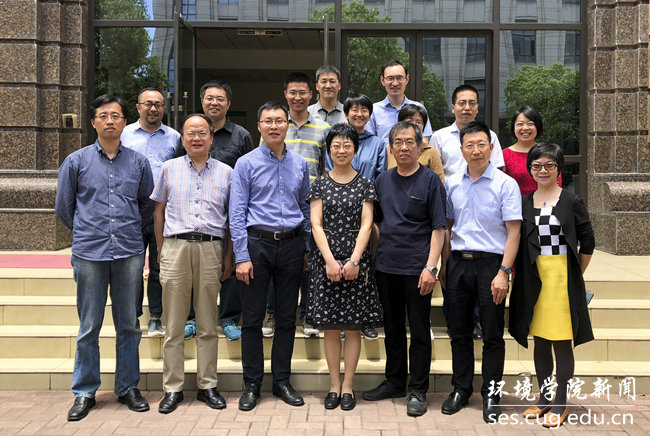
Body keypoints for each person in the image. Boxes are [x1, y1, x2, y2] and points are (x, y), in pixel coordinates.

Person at [55, 94, 153, 421]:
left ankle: (128, 387)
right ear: (93, 122)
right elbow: (64, 207)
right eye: (103, 115)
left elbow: (146, 204)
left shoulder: (138, 163)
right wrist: (88, 229)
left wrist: (128, 228)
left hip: (128, 252)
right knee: (89, 326)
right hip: (90, 254)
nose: (110, 120)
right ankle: (85, 392)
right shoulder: (76, 161)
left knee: (129, 325)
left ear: (125, 122)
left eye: (116, 115)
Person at [230, 101, 311, 411]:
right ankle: (252, 383)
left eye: (279, 120)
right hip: (257, 245)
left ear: (287, 125)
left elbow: (304, 207)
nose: (274, 126)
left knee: (287, 318)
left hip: (292, 245)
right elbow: (237, 212)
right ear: (259, 126)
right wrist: (241, 255)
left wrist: (306, 246)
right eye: (268, 121)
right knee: (252, 319)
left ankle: (281, 381)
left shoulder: (300, 163)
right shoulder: (245, 163)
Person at [439, 121, 521, 423]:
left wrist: (503, 272)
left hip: (491, 266)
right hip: (458, 263)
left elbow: (513, 232)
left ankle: (491, 394)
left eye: (481, 145)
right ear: (461, 150)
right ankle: (461, 389)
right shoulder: (451, 184)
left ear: (491, 147)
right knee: (458, 332)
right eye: (470, 145)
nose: (476, 151)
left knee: (492, 334)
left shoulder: (505, 184)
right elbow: (447, 227)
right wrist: (444, 265)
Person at [508, 142, 595, 428]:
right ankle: (544, 398)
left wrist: (576, 274)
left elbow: (588, 240)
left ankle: (561, 401)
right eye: (536, 166)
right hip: (534, 277)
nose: (542, 170)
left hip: (562, 277)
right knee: (541, 339)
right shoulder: (524, 202)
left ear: (559, 169)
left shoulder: (571, 200)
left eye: (549, 165)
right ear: (530, 169)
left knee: (561, 340)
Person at [363, 121, 446, 417]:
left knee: (420, 331)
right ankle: (395, 381)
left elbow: (439, 228)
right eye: (398, 142)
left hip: (418, 269)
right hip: (386, 267)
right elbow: (375, 222)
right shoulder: (382, 180)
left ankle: (418, 389)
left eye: (410, 142)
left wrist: (431, 268)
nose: (404, 147)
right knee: (393, 329)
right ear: (390, 147)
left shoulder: (430, 181)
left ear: (420, 146)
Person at [151, 114, 233, 414]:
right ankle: (172, 388)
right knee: (174, 325)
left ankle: (207, 385)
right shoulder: (168, 169)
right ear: (182, 138)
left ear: (211, 137)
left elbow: (230, 218)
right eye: (190, 133)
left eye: (202, 133)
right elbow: (158, 212)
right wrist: (162, 249)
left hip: (211, 248)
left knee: (208, 324)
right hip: (176, 247)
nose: (196, 138)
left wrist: (228, 255)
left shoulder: (227, 172)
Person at [307, 123, 382, 411]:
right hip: (325, 261)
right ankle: (333, 385)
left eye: (347, 145)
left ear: (355, 149)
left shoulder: (365, 184)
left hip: (356, 263)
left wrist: (354, 260)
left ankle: (348, 386)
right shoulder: (319, 183)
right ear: (329, 150)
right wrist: (329, 260)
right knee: (329, 328)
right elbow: (316, 224)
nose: (341, 150)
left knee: (352, 328)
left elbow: (367, 224)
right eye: (336, 145)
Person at [432, 84, 506, 339]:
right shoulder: (440, 137)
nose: (466, 107)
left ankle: (476, 321)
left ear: (477, 107)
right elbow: (435, 172)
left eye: (472, 103)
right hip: (453, 204)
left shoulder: (490, 136)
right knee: (454, 266)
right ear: (453, 107)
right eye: (461, 103)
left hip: (483, 204)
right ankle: (455, 320)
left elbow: (497, 171)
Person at [198, 79, 255, 342]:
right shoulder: (192, 130)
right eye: (209, 98)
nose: (214, 103)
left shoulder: (241, 136)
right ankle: (194, 318)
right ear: (202, 102)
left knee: (230, 265)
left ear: (228, 104)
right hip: (198, 212)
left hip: (231, 210)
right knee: (197, 269)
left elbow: (251, 171)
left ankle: (229, 318)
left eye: (220, 99)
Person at [121, 87, 180, 337]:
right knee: (132, 268)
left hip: (162, 211)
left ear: (164, 108)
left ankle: (156, 317)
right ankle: (133, 317)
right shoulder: (124, 135)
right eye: (148, 104)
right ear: (138, 107)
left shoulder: (175, 137)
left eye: (158, 104)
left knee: (159, 266)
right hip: (132, 210)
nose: (153, 108)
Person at [366, 60, 433, 145]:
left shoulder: (418, 108)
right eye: (390, 78)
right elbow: (370, 143)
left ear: (407, 79)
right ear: (382, 80)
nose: (395, 83)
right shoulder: (374, 111)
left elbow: (424, 140)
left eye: (399, 78)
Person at [503, 106, 561, 196]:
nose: (525, 128)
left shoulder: (547, 152)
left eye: (530, 124)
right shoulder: (504, 155)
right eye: (520, 124)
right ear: (513, 127)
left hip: (545, 202)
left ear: (537, 127)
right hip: (515, 203)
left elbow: (557, 183)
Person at [389, 104, 445, 183]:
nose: (414, 124)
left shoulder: (431, 152)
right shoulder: (389, 150)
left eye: (419, 122)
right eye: (409, 121)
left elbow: (439, 182)